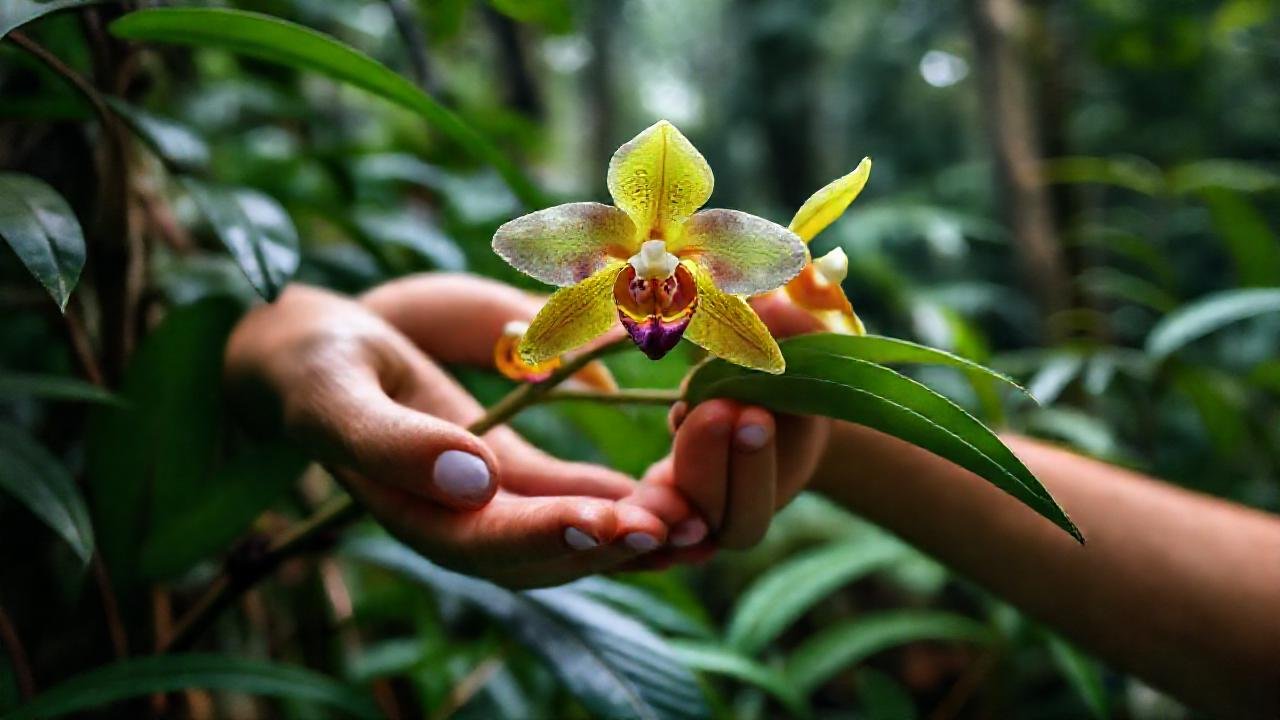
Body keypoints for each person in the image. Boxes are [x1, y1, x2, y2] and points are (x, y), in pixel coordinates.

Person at [225, 273, 1280, 718]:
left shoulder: (711, 329)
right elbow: (560, 342)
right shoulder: (646, 313)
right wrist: (415, 320)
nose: (648, 290)